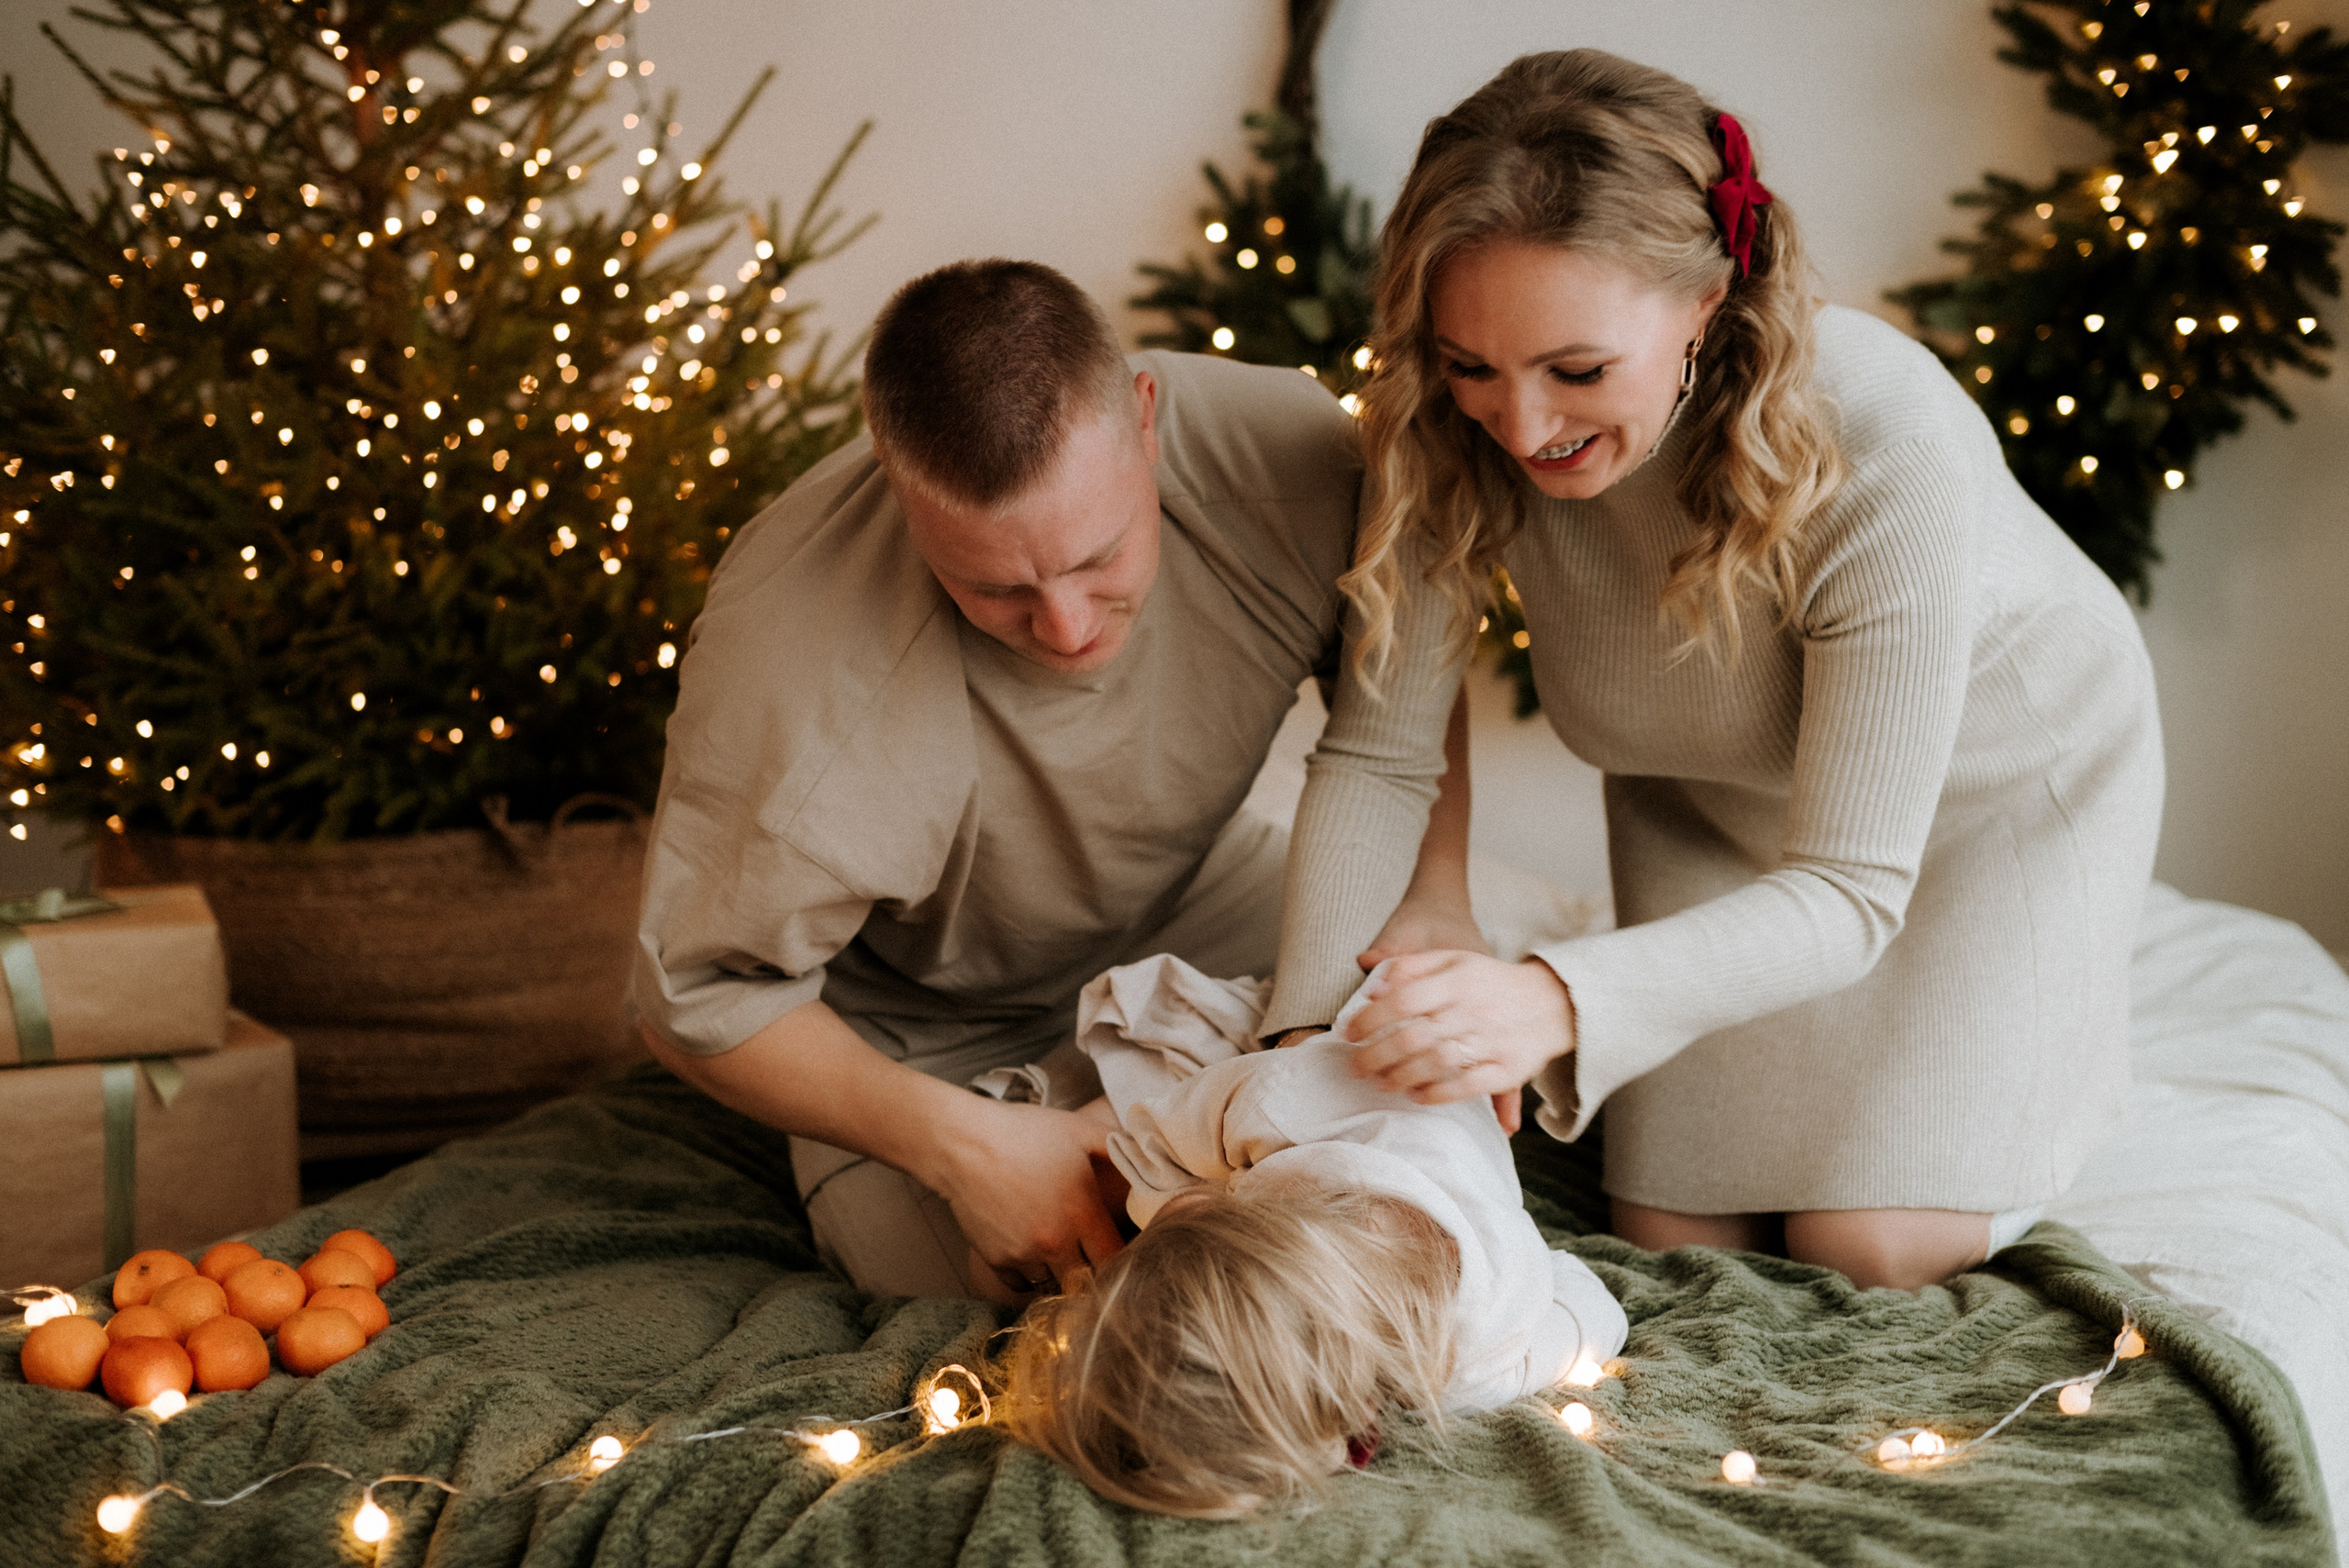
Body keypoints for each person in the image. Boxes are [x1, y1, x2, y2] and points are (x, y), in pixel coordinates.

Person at [1261, 50, 2165, 1290]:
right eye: (1472, 365)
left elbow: (1850, 886)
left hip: (1985, 816)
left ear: (1705, 301)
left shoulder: (1879, 435)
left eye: (1578, 370)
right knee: (1669, 1238)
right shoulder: (1438, 427)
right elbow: (1378, 751)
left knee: (1869, 1250)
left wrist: (1551, 997)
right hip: (1707, 804)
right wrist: (1300, 1054)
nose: (1522, 426)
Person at [630, 260, 1453, 1301]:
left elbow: (1402, 706)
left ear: (1146, 418)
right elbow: (693, 995)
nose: (1065, 628)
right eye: (995, 587)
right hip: (920, 1034)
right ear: (897, 486)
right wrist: (963, 1148)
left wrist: (1438, 899)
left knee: (1435, 1103)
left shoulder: (1293, 461)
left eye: (1100, 557)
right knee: (1119, 1304)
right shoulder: (791, 669)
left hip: (1198, 908)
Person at [996, 952, 1627, 1518]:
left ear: (1362, 1430)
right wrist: (1162, 1205)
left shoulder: (1476, 1361)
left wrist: (1538, 1275)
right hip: (1399, 998)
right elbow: (1158, 1144)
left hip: (1382, 1021)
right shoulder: (1273, 1108)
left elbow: (1592, 1306)